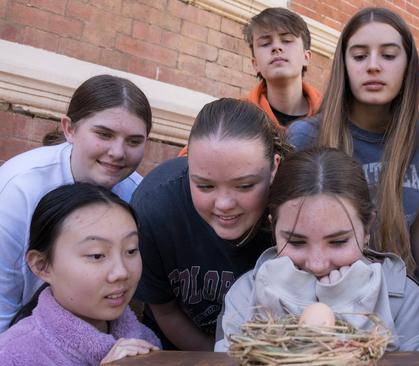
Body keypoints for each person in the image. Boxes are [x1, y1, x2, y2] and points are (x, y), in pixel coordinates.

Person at [215, 148, 419, 353]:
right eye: (297, 242)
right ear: (273, 227)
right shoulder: (245, 296)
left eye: (338, 242)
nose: (318, 263)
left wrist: (349, 315)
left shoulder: (404, 299)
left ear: (367, 229)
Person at [286, 8, 419, 290]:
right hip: (327, 296)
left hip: (402, 298)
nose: (373, 66)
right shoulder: (307, 136)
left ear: (408, 65)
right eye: (359, 56)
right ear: (343, 64)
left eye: (389, 55)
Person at [132, 98, 289, 351]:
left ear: (273, 168)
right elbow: (165, 310)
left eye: (244, 185)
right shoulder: (155, 207)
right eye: (204, 185)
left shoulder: (294, 210)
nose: (224, 204)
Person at [0, 74, 152, 332]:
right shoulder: (19, 189)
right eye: (104, 134)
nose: (118, 152)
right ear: (69, 129)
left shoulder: (140, 195)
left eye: (134, 141)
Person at [0, 183, 160, 365]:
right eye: (97, 255)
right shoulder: (13, 356)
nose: (121, 272)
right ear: (42, 265)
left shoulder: (145, 341)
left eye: (131, 250)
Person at [176, 7, 322, 157]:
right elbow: (186, 164)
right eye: (265, 43)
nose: (276, 48)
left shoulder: (332, 115)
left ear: (307, 57)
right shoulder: (232, 116)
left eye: (286, 40)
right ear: (255, 64)